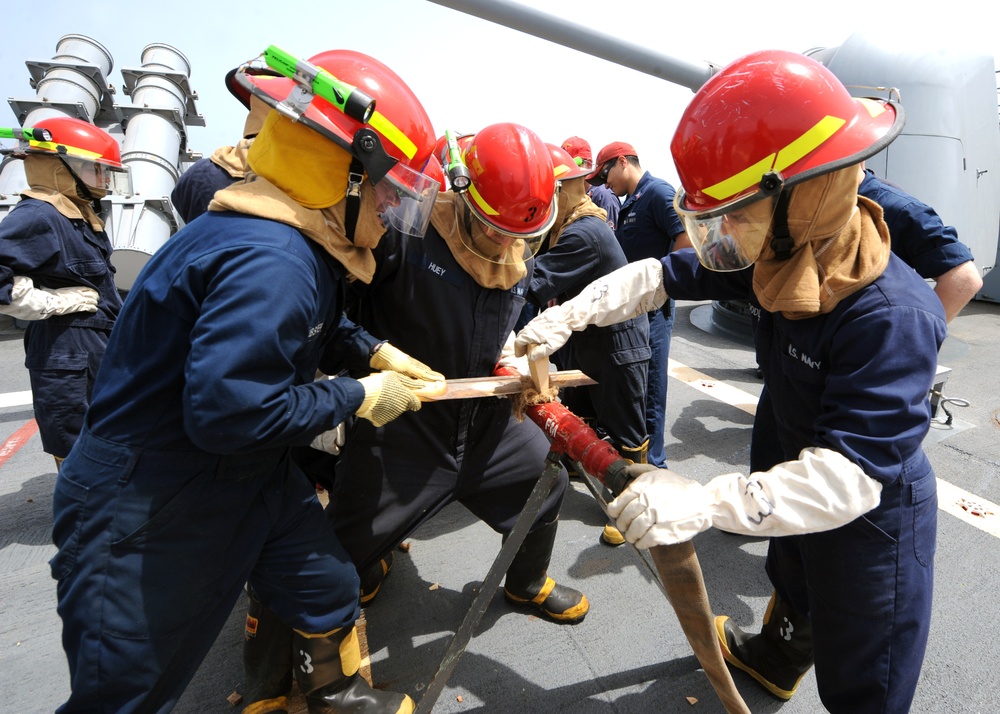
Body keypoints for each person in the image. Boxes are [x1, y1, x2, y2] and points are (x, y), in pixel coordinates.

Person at [514, 49, 946, 714]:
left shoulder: (891, 315)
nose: (728, 234)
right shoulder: (778, 251)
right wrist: (564, 318)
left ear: (804, 194)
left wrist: (704, 501)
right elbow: (659, 275)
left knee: (868, 672)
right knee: (793, 579)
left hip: (869, 515)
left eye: (737, 214)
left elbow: (848, 479)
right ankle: (773, 659)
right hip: (795, 458)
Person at [49, 47, 445, 714]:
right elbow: (230, 412)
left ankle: (334, 694)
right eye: (386, 190)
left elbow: (305, 322)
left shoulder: (276, 228)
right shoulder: (274, 259)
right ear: (338, 171)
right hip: (152, 497)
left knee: (323, 583)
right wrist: (357, 397)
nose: (388, 214)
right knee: (125, 692)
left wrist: (375, 351)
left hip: (240, 473)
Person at [735, 158, 985, 701]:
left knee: (864, 669)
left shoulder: (879, 206)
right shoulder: (782, 219)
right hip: (792, 408)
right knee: (794, 556)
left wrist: (893, 361)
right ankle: (778, 656)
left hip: (849, 439)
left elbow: (962, 277)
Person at [328, 121, 589, 625]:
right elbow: (340, 311)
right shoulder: (407, 234)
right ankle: (364, 568)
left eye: (517, 234)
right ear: (463, 196)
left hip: (489, 428)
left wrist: (514, 357)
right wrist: (365, 362)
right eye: (492, 225)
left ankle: (527, 582)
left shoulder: (518, 257)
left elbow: (508, 328)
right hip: (404, 426)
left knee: (547, 484)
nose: (500, 241)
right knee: (336, 553)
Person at [529, 142, 650, 545]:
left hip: (618, 346)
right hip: (589, 343)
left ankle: (635, 506)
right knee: (583, 417)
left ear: (562, 191)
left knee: (627, 431)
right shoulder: (573, 224)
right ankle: (592, 477)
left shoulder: (584, 233)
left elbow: (536, 280)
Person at [0, 117, 127, 471]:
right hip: (64, 356)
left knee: (106, 448)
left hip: (91, 351)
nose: (104, 179)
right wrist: (49, 302)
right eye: (96, 170)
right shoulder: (39, 215)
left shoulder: (77, 214)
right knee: (79, 455)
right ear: (60, 166)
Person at [586, 140, 688, 470]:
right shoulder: (631, 202)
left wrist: (660, 286)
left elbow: (683, 238)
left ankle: (654, 465)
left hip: (654, 309)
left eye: (606, 175)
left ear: (622, 162)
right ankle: (635, 456)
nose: (606, 185)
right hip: (633, 311)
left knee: (651, 388)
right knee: (635, 387)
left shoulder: (657, 193)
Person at [561, 136, 620, 229]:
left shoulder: (603, 196)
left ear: (588, 164)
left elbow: (611, 238)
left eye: (575, 164)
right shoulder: (569, 197)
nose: (571, 171)